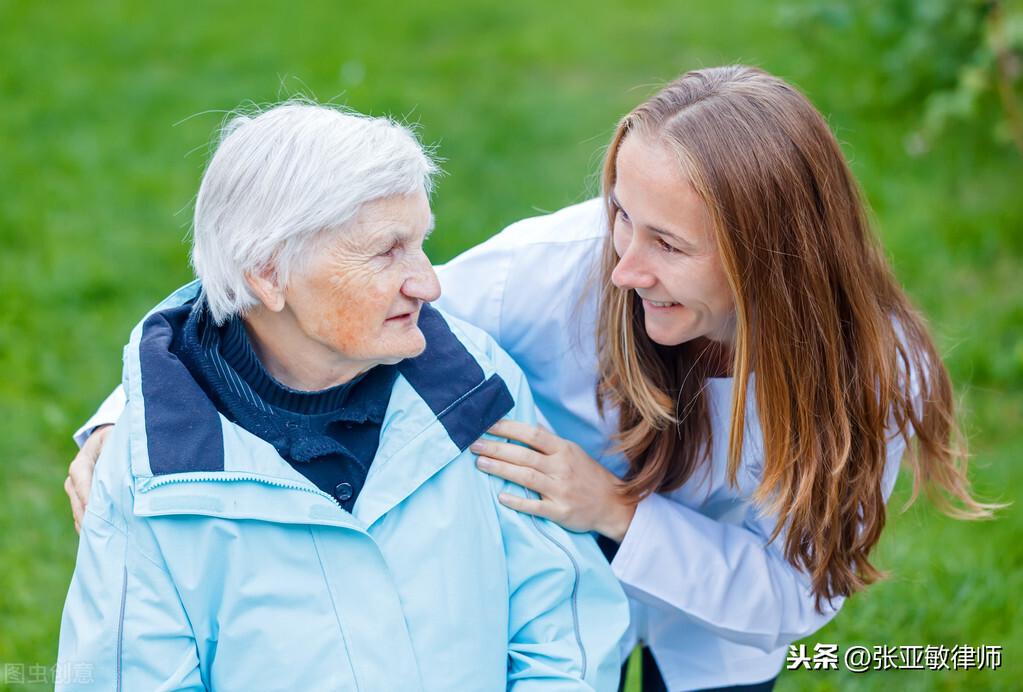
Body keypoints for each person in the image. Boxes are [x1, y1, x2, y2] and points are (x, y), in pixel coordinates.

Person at [67, 67, 995, 691]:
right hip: (538, 564)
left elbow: (792, 596)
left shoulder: (875, 379)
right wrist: (127, 420)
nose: (623, 265)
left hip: (714, 620)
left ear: (770, 262)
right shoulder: (554, 267)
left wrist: (620, 513)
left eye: (667, 245)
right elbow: (315, 303)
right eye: (619, 215)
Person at [57, 101, 628, 691]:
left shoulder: (476, 383)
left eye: (421, 242)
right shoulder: (147, 480)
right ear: (268, 274)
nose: (429, 282)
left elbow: (564, 627)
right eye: (387, 250)